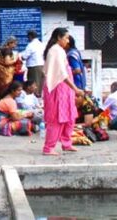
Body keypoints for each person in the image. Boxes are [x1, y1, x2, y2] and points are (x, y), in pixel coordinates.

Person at [42, 27, 82, 155]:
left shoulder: (60, 50)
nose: (67, 40)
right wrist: (75, 89)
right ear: (59, 37)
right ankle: (48, 147)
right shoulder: (55, 51)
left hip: (65, 89)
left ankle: (66, 143)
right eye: (65, 37)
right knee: (56, 118)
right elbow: (61, 74)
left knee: (70, 117)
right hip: (57, 88)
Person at [21, 29, 45, 96]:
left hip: (34, 67)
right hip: (41, 65)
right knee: (40, 83)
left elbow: (24, 56)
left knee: (33, 84)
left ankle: (34, 97)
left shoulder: (31, 45)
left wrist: (21, 56)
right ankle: (38, 96)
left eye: (28, 37)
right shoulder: (41, 44)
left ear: (30, 36)